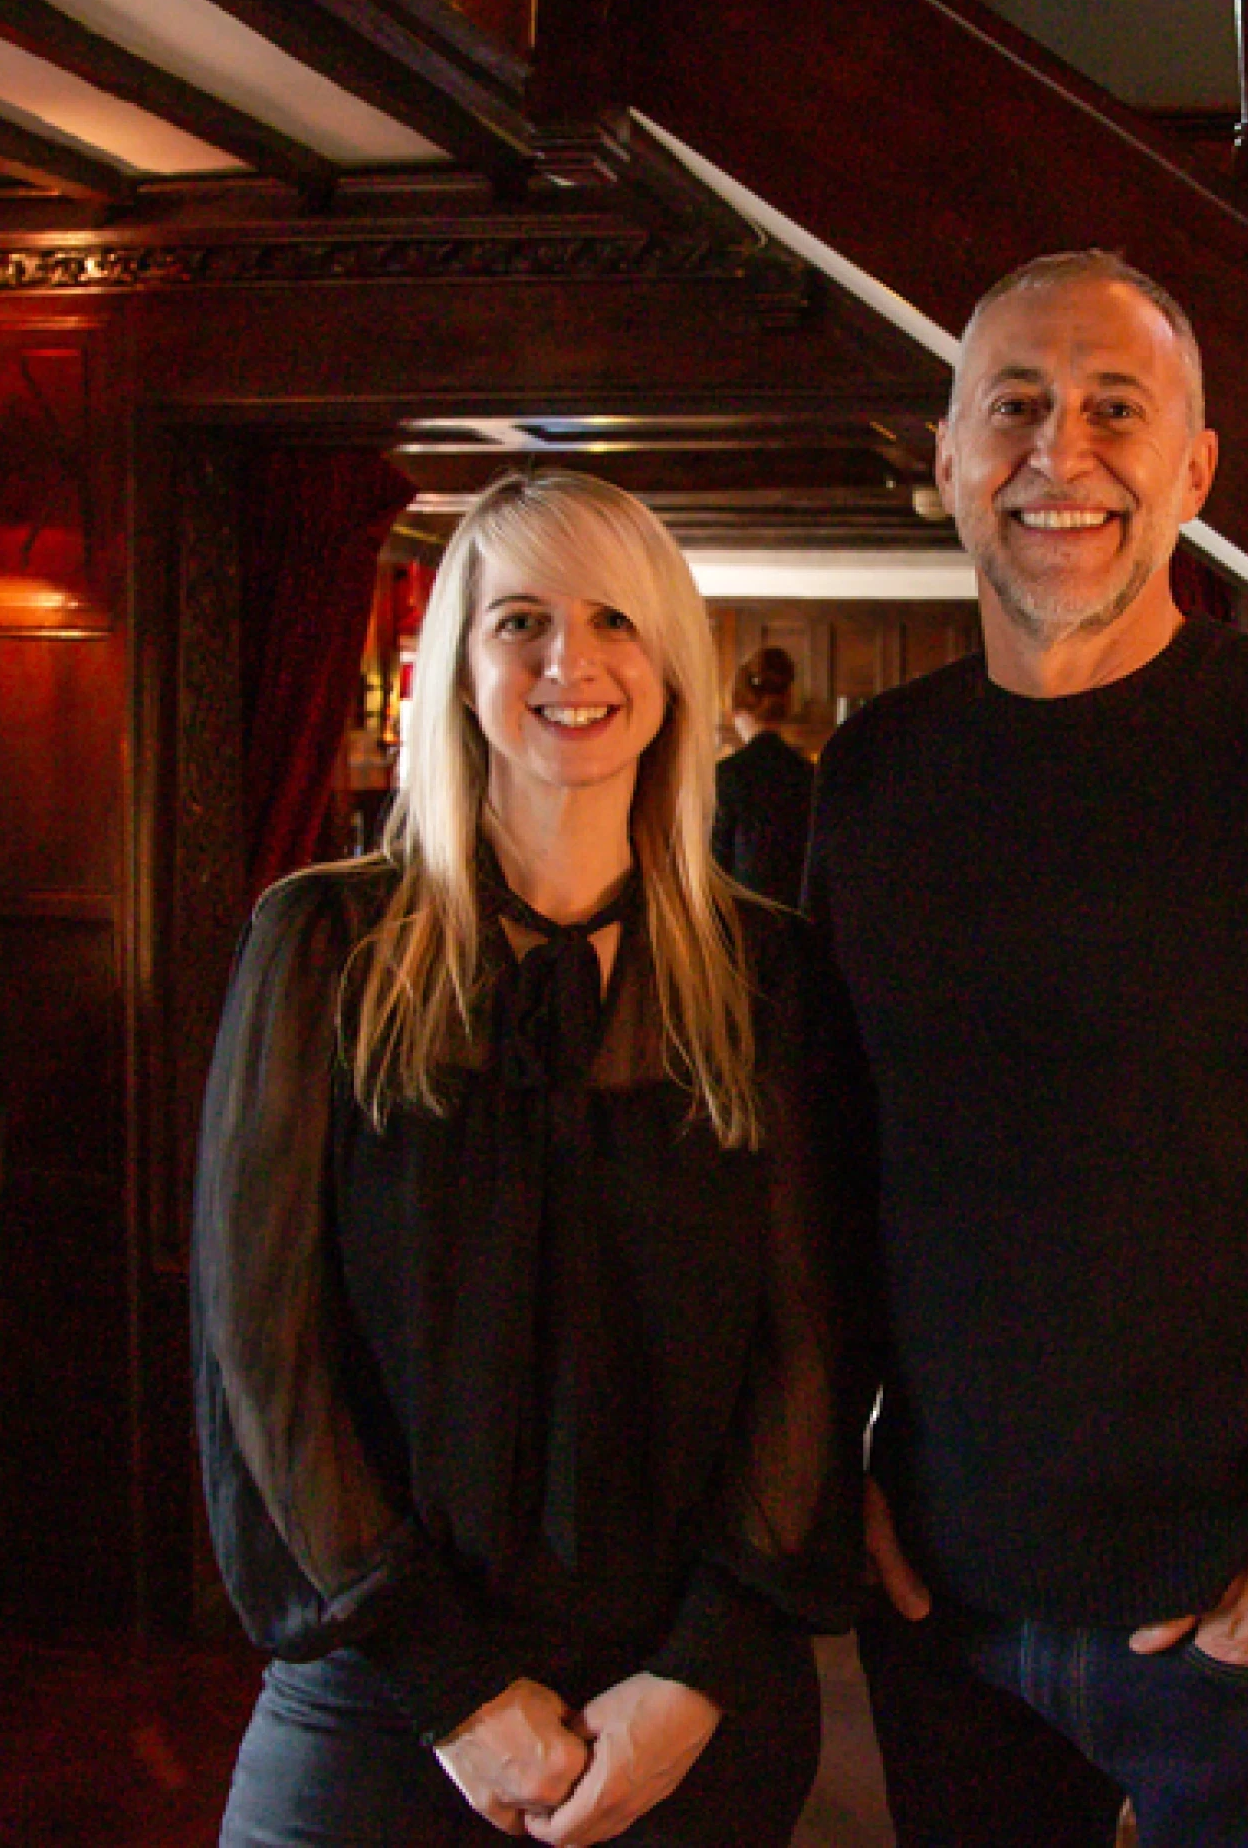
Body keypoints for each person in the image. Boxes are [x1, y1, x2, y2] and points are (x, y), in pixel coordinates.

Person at [804, 251, 1248, 1846]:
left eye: (1115, 410)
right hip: (948, 1619)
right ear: (947, 458)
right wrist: (831, 1483)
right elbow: (832, 1173)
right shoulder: (871, 779)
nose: (1058, 454)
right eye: (1014, 407)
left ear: (1195, 471)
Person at [194, 470, 865, 1848]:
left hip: (689, 1699)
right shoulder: (322, 945)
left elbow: (814, 1341)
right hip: (383, 1689)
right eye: (521, 623)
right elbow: (262, 1353)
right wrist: (451, 1687)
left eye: (616, 619)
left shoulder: (772, 972)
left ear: (671, 667)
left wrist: (695, 1672)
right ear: (458, 665)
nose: (573, 660)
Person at [711, 646, 816, 904]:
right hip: (800, 918)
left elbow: (715, 871)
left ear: (737, 710)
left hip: (744, 917)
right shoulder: (811, 775)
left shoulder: (726, 776)